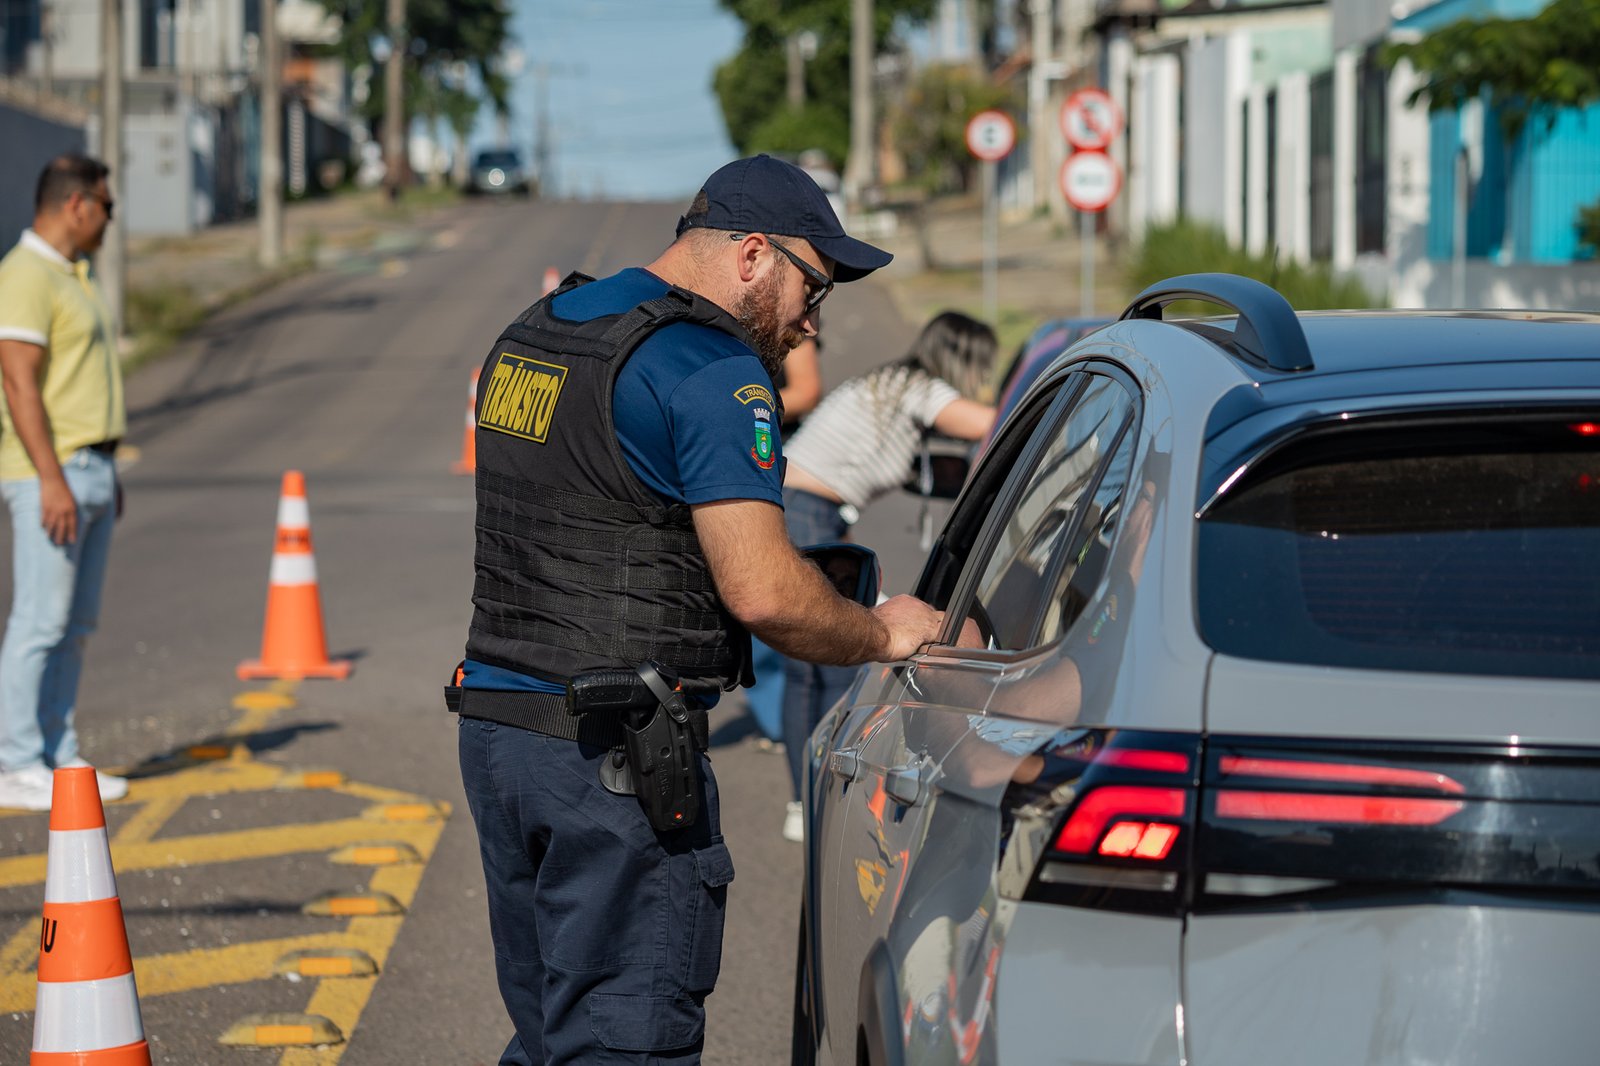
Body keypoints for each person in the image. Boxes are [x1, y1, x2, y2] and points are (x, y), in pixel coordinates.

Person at [450, 154, 943, 1066]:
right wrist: (882, 632)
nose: (811, 321)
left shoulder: (537, 330)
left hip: (499, 734)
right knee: (624, 1043)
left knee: (552, 1032)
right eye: (814, 286)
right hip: (614, 761)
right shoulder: (715, 370)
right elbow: (761, 590)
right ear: (754, 255)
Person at [776, 310, 999, 841]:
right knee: (824, 660)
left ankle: (803, 797)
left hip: (807, 509)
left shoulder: (894, 385)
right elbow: (993, 423)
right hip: (804, 509)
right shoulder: (921, 389)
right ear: (964, 358)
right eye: (983, 367)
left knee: (813, 666)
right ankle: (808, 799)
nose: (983, 380)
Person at [0, 155, 127, 812]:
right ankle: (16, 760)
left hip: (93, 466)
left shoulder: (74, 273)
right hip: (52, 471)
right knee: (39, 620)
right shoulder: (24, 275)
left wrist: (107, 468)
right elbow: (18, 382)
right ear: (77, 205)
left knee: (75, 622)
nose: (112, 219)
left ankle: (58, 754)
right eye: (108, 206)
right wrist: (51, 478)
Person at [743, 334, 822, 750]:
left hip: (783, 458)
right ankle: (778, 716)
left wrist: (746, 412)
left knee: (776, 586)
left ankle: (791, 716)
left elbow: (807, 389)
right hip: (748, 456)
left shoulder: (791, 322)